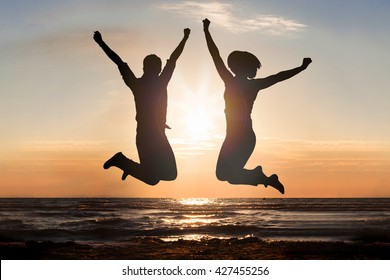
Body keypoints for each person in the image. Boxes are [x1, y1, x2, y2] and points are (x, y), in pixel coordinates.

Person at [203, 18, 312, 194]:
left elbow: (278, 77)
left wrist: (301, 68)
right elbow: (215, 56)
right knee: (225, 176)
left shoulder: (241, 84)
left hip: (244, 137)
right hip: (235, 136)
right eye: (254, 66)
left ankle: (261, 177)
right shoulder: (236, 82)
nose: (256, 70)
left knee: (226, 175)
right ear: (243, 67)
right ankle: (262, 177)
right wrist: (206, 31)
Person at [93, 28, 190, 185]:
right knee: (164, 175)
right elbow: (173, 59)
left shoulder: (137, 84)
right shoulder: (158, 83)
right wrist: (185, 38)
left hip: (148, 135)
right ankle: (124, 163)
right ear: (155, 69)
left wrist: (101, 43)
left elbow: (119, 61)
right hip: (151, 136)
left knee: (155, 178)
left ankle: (127, 165)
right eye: (158, 69)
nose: (159, 72)